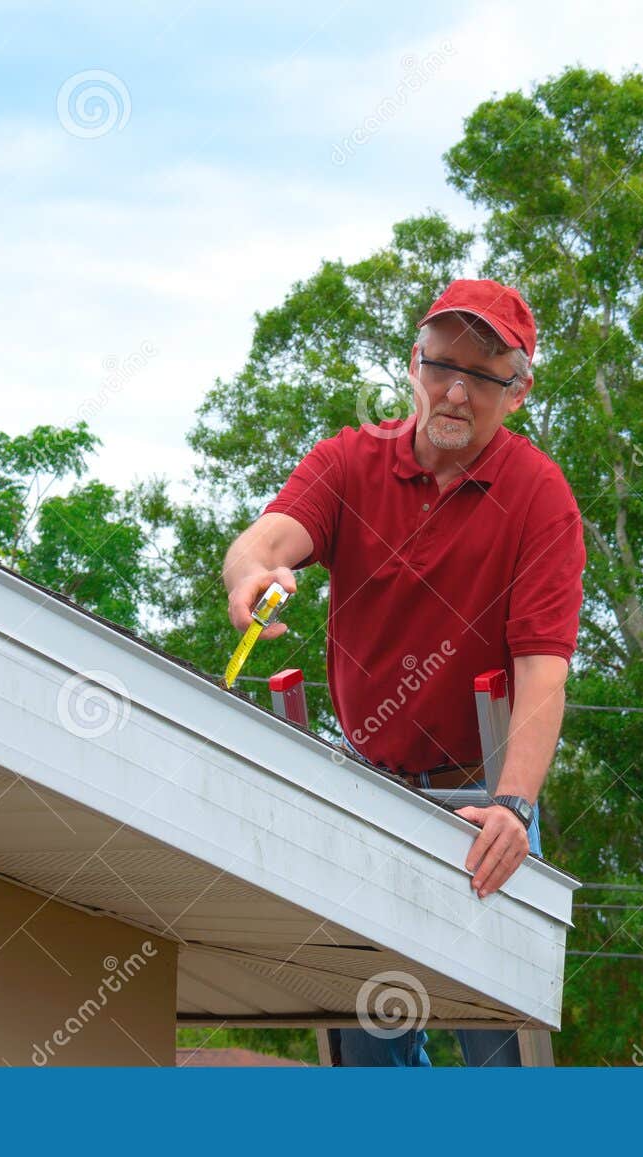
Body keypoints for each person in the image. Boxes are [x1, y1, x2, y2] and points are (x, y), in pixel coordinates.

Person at [221, 278, 585, 1067]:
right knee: (368, 1058)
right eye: (441, 366)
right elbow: (267, 539)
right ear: (413, 366)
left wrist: (515, 809)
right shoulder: (350, 462)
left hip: (480, 802)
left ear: (517, 391)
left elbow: (543, 672)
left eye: (483, 375)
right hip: (367, 787)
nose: (456, 390)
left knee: (500, 1057)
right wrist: (252, 572)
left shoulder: (538, 497)